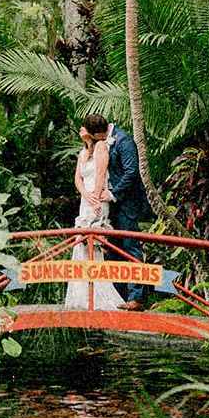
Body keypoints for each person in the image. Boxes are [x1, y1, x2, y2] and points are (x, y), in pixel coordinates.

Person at [84, 113, 150, 308]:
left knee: (131, 248)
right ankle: (120, 295)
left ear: (97, 133)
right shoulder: (103, 141)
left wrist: (113, 194)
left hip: (126, 203)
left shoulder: (123, 140)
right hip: (113, 206)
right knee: (114, 249)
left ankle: (136, 297)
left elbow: (132, 172)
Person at [64, 122, 126, 311]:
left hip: (98, 197)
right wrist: (85, 194)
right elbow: (77, 178)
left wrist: (96, 197)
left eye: (84, 127)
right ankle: (82, 296)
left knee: (94, 243)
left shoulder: (101, 146)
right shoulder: (82, 153)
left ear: (92, 132)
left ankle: (97, 297)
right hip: (86, 200)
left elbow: (100, 173)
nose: (80, 129)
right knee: (81, 242)